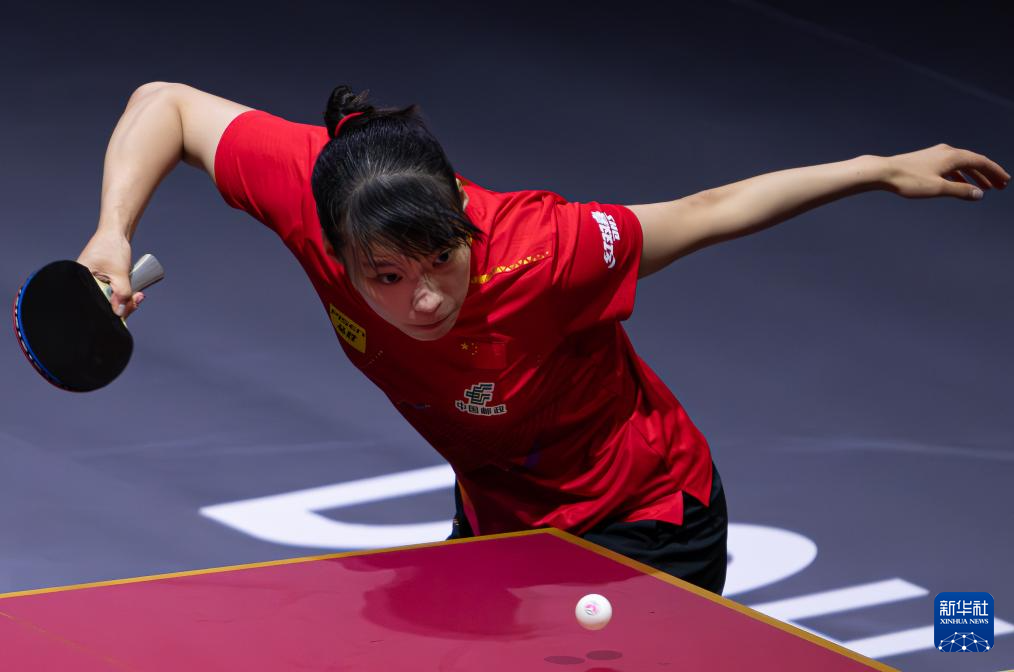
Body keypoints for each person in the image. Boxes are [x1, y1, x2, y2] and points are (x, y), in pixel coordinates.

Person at [77, 82, 1009, 596]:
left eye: (442, 260)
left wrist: (876, 168)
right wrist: (112, 233)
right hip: (499, 516)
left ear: (461, 217)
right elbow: (167, 105)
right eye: (386, 278)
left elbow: (706, 210)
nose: (424, 299)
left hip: (644, 520)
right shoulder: (315, 191)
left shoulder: (547, 248)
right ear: (338, 251)